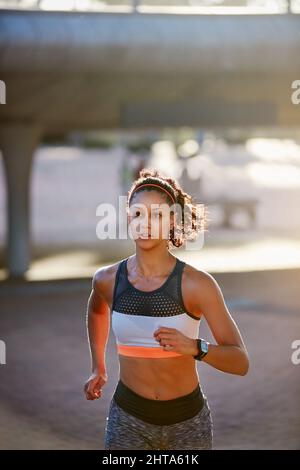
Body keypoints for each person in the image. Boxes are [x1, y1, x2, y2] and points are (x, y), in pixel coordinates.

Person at [84, 168, 249, 450]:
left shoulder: (198, 284)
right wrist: (98, 366)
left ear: (172, 219)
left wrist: (196, 347)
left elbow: (240, 361)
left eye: (157, 215)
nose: (146, 223)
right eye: (138, 214)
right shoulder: (107, 280)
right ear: (127, 218)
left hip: (188, 423)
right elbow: (97, 310)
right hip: (128, 418)